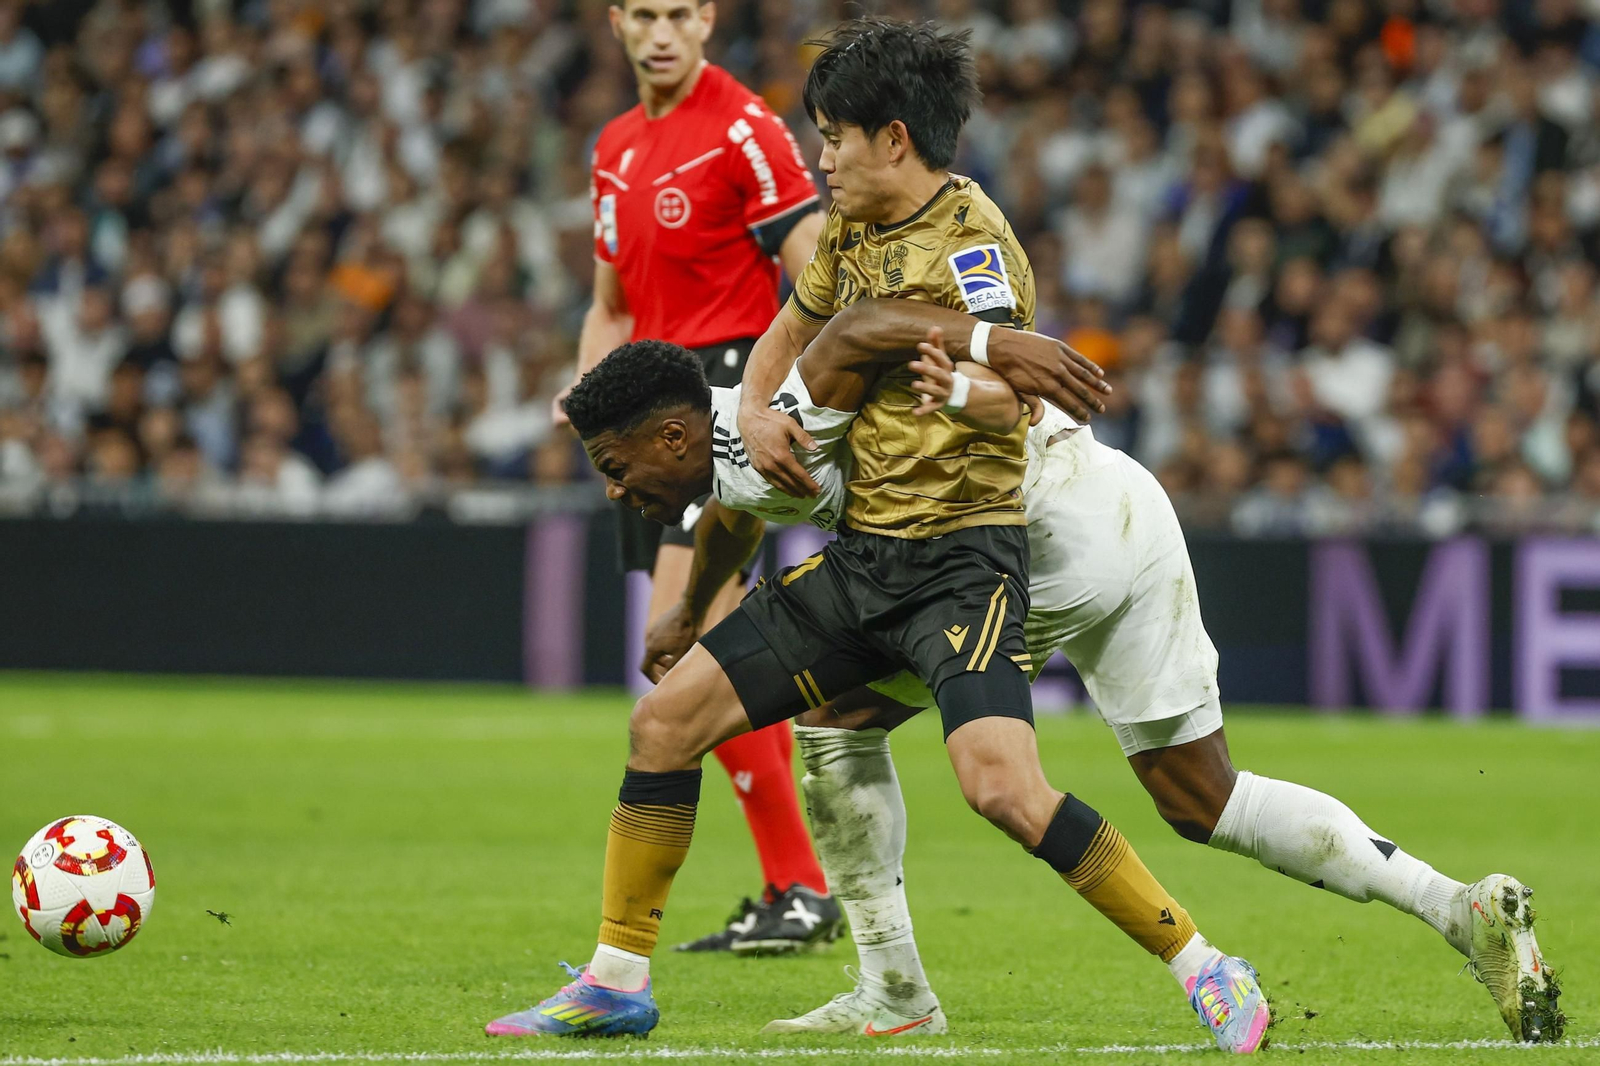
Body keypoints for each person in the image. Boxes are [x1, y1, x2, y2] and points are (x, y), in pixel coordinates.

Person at [485, 19, 1270, 1053]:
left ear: (891, 136)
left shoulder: (966, 247)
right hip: (862, 563)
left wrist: (991, 349)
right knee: (661, 726)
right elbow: (755, 437)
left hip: (962, 558)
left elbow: (886, 346)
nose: (823, 156)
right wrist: (690, 585)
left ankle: (1204, 963)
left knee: (1000, 788)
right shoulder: (829, 272)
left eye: (835, 136)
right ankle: (617, 980)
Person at [646, 298, 1565, 1046]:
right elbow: (739, 508)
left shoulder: (795, 409)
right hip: (1122, 502)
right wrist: (694, 608)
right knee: (1204, 796)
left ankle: (898, 991)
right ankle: (1457, 908)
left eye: (838, 140)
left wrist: (694, 607)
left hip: (1021, 548)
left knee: (846, 724)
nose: (621, 490)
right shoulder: (777, 404)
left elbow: (753, 484)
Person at [561, 0, 839, 953]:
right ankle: (791, 886)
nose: (663, 29)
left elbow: (813, 270)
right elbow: (610, 303)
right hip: (647, 428)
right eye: (645, 12)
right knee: (694, 657)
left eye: (680, 10)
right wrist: (585, 391)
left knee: (691, 651)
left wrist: (784, 396)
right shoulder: (614, 147)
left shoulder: (745, 126)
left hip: (718, 405)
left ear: (708, 19)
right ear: (618, 23)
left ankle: (801, 884)